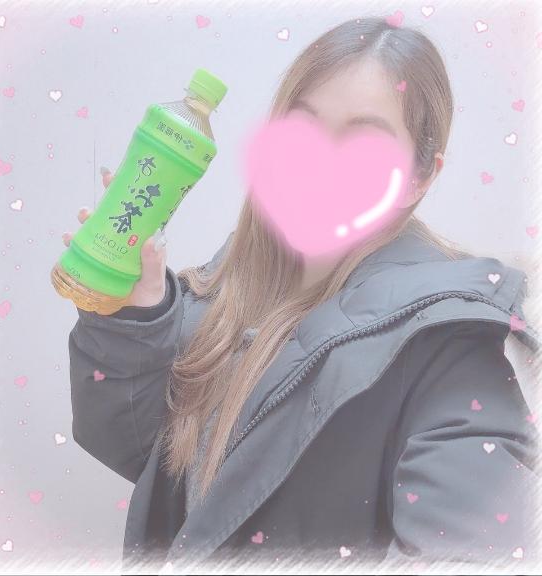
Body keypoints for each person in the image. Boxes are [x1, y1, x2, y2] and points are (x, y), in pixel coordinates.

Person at [66, 16, 541, 575]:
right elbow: (148, 463)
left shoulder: (448, 345)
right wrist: (137, 314)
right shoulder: (227, 291)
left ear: (419, 177)